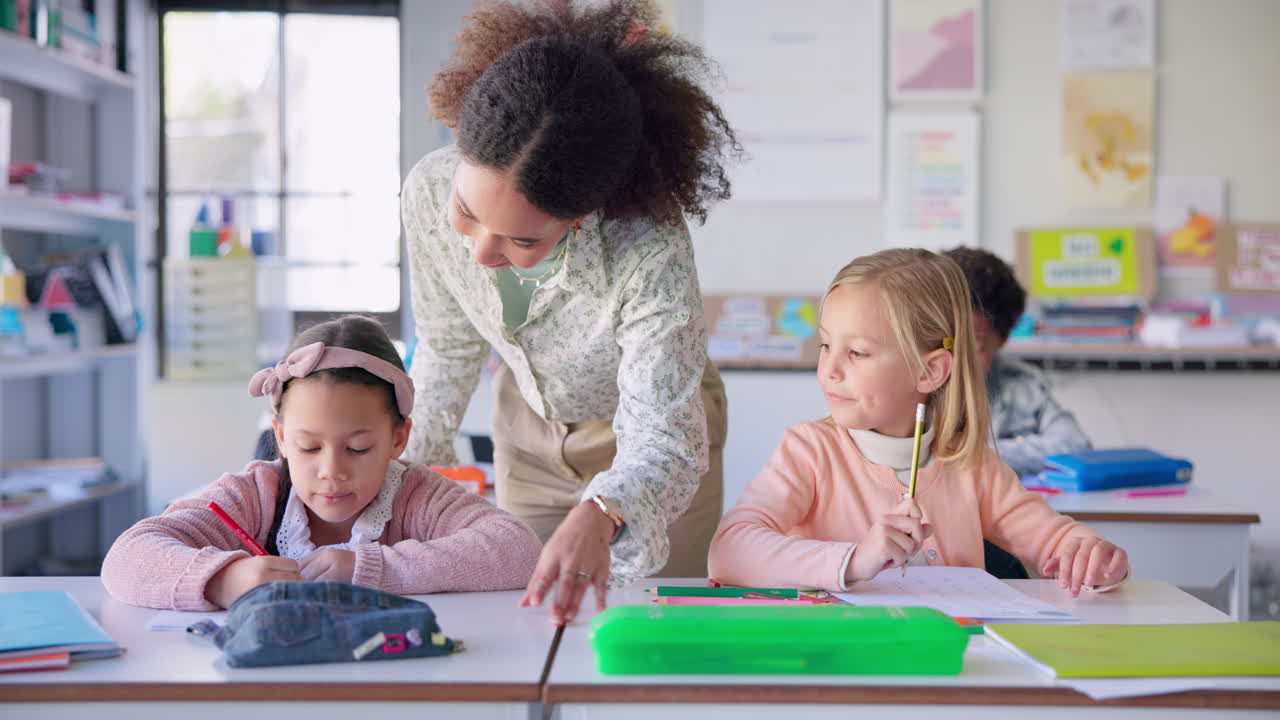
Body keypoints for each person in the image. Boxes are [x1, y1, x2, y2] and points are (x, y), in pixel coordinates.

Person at [402, 0, 738, 624]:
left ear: (583, 218)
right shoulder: (425, 191)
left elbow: (661, 434)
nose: (480, 253)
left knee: (643, 634)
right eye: (467, 212)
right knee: (528, 625)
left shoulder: (648, 248)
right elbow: (446, 349)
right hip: (528, 435)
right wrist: (389, 475)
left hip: (652, 444)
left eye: (521, 240)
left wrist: (607, 508)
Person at [707, 249, 1129, 596]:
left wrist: (1091, 554)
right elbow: (729, 552)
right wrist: (854, 559)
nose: (829, 369)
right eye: (825, 344)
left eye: (857, 353)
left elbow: (1055, 543)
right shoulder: (809, 451)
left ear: (930, 372)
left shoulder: (972, 466)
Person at [102, 315, 541, 610]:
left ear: (398, 438)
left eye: (358, 448)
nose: (331, 471)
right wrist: (226, 579)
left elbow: (518, 550)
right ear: (281, 437)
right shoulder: (256, 495)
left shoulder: (414, 495)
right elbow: (125, 559)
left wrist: (373, 569)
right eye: (309, 448)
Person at [943, 246, 1092, 477]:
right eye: (945, 341)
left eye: (973, 346)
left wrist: (967, 453)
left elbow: (1074, 447)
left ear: (1001, 340)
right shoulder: (898, 384)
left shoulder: (1020, 384)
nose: (949, 360)